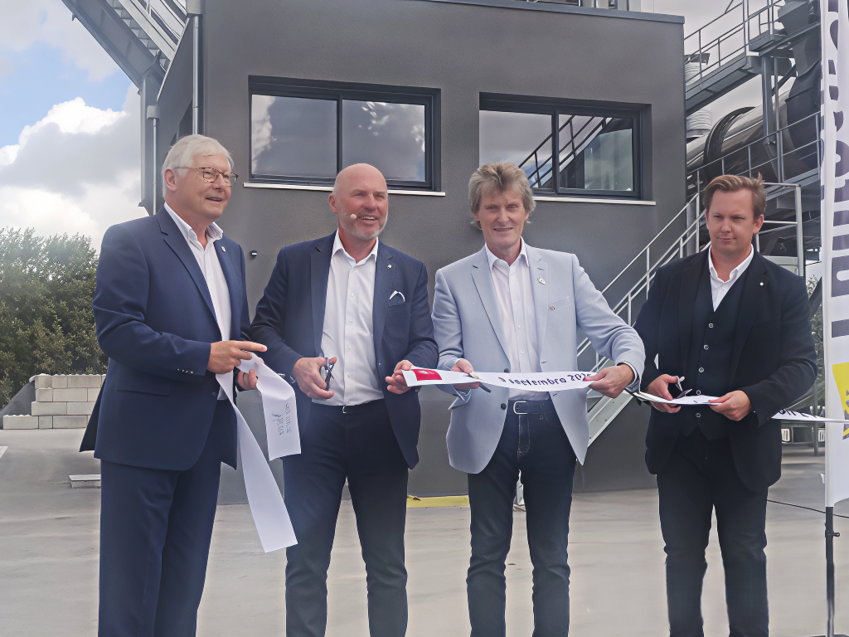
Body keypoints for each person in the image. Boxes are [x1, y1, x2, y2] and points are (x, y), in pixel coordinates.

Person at [430, 161, 644, 637]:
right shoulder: (452, 279)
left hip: (553, 427)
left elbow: (617, 332)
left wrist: (627, 368)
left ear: (527, 210)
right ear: (476, 214)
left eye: (512, 206)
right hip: (488, 427)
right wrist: (453, 372)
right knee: (487, 555)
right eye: (492, 208)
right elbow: (446, 355)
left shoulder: (564, 268)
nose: (502, 217)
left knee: (552, 558)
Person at [80, 134, 264, 637]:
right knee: (132, 586)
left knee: (185, 581)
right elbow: (118, 331)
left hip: (204, 440)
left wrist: (241, 369)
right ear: (171, 179)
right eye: (209, 173)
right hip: (143, 438)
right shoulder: (131, 239)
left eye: (227, 176)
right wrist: (203, 357)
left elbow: (234, 333)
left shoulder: (228, 252)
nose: (221, 184)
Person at [250, 163, 437, 637]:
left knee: (387, 565)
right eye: (359, 195)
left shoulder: (409, 270)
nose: (371, 206)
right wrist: (294, 363)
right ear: (334, 203)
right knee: (306, 562)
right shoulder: (296, 261)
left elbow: (425, 342)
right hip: (314, 432)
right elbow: (263, 328)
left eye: (380, 196)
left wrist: (412, 367)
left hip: (382, 427)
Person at [633, 174, 817, 637]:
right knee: (681, 556)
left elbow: (801, 366)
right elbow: (636, 346)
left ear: (758, 222)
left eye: (737, 218)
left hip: (744, 448)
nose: (725, 227)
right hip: (678, 446)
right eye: (717, 217)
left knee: (746, 555)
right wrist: (649, 379)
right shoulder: (672, 278)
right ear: (706, 218)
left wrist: (754, 398)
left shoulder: (785, 288)